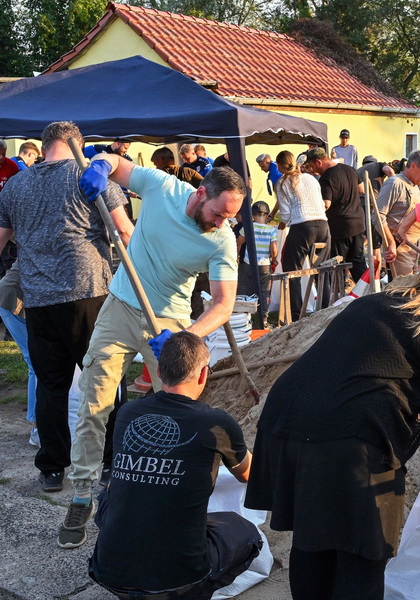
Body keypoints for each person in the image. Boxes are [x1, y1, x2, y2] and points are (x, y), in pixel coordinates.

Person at [244, 250, 420, 599]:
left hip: (286, 422)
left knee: (314, 542)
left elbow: (365, 371)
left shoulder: (374, 304)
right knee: (364, 555)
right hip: (352, 441)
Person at [62, 158, 243, 549]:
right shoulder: (162, 187)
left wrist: (186, 338)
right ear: (201, 194)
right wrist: (99, 165)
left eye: (228, 218)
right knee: (95, 402)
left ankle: (170, 496)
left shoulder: (222, 240)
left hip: (172, 324)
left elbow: (224, 304)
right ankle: (81, 495)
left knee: (181, 416)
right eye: (217, 214)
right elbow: (115, 164)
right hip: (119, 308)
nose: (220, 223)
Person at [0, 122, 132, 494]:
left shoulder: (16, 184)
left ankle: (52, 467)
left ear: (44, 147)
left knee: (51, 385)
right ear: (79, 144)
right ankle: (110, 461)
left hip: (39, 298)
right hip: (88, 291)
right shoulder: (90, 175)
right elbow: (125, 232)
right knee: (102, 380)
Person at [89, 331, 262, 599]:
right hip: (179, 581)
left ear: (158, 369)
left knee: (109, 497)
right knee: (246, 533)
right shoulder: (216, 423)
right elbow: (252, 475)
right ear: (204, 375)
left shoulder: (127, 413)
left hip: (108, 572)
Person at [274, 150, 330, 321]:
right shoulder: (311, 178)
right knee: (322, 271)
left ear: (279, 166)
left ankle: (297, 315)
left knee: (293, 271)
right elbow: (320, 203)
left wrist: (283, 223)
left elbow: (285, 215)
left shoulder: (282, 183)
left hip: (302, 228)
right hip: (323, 225)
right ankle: (324, 312)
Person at [304, 147, 367, 283]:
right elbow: (361, 189)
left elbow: (326, 204)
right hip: (358, 223)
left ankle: (336, 296)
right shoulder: (349, 169)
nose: (312, 170)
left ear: (319, 162)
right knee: (357, 261)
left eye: (312, 165)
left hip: (340, 227)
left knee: (335, 264)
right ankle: (366, 292)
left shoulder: (326, 179)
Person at [375, 150, 420, 276]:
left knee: (411, 290)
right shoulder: (395, 183)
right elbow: (378, 216)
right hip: (398, 249)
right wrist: (391, 243)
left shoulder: (415, 186)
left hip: (412, 249)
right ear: (413, 166)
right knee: (400, 291)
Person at [0, 262, 38, 446]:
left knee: (40, 362)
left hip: (20, 301)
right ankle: (37, 428)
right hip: (11, 301)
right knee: (36, 363)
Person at [237, 201, 278, 321]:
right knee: (264, 292)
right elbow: (274, 250)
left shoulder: (248, 227)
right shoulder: (271, 230)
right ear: (266, 215)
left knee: (245, 289)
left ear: (253, 216)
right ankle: (263, 318)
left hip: (249, 263)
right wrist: (274, 259)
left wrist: (237, 257)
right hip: (264, 265)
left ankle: (243, 317)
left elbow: (239, 243)